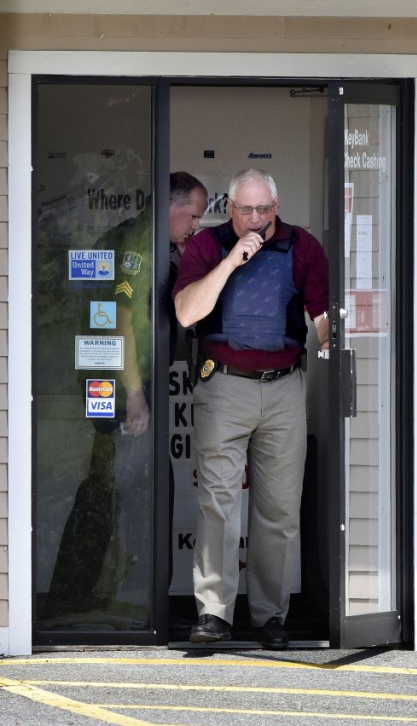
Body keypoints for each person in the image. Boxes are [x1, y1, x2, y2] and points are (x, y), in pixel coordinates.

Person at [173, 168, 328, 650]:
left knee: (279, 509)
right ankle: (214, 614)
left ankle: (270, 615)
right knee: (218, 504)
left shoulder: (304, 248)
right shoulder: (205, 247)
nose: (258, 219)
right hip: (223, 387)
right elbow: (185, 313)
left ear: (277, 207)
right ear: (230, 209)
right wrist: (231, 263)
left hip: (284, 389)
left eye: (266, 209)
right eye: (247, 210)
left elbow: (322, 320)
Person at [42, 171, 207, 625]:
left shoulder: (139, 238)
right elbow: (120, 320)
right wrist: (136, 396)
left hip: (110, 381)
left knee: (108, 485)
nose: (196, 225)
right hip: (123, 386)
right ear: (172, 207)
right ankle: (135, 604)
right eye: (193, 215)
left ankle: (80, 592)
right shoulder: (139, 246)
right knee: (139, 491)